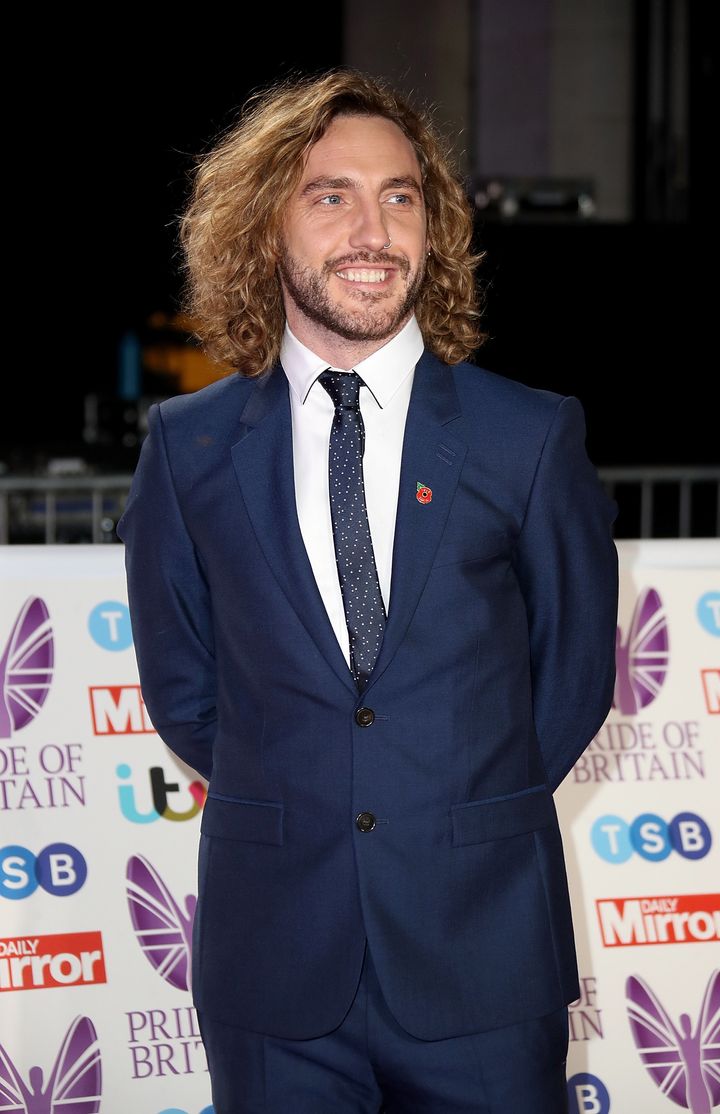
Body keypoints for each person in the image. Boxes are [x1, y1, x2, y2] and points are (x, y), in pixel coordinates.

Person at [117, 69, 618, 1113]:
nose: (373, 229)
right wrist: (317, 791)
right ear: (265, 227)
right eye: (331, 195)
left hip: (486, 964)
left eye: (400, 196)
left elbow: (570, 682)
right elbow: (185, 690)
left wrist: (450, 806)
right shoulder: (190, 449)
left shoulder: (528, 436)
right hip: (274, 969)